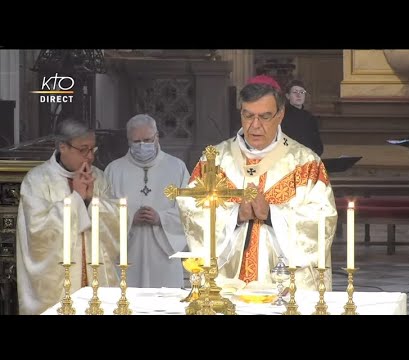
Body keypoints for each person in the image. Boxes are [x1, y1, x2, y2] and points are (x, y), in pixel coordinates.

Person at [177, 75, 337, 290]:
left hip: (286, 286)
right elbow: (192, 212)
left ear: (280, 115)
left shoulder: (305, 163)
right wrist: (235, 215)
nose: (255, 125)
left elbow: (322, 220)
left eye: (264, 116)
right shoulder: (215, 160)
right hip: (225, 283)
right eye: (248, 115)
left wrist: (271, 214)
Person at [16, 119, 120, 315]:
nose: (90, 157)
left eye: (93, 150)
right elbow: (37, 231)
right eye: (83, 150)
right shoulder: (37, 180)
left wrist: (90, 200)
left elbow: (117, 224)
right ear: (63, 147)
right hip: (56, 285)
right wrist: (76, 199)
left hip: (94, 276)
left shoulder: (99, 177)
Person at [104, 114, 190, 288]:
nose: (142, 145)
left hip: (165, 255)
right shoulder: (114, 170)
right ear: (128, 141)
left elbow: (190, 209)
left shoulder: (176, 167)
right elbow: (103, 213)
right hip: (127, 255)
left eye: (147, 139)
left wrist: (162, 218)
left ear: (157, 137)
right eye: (136, 141)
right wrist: (128, 218)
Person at [281, 79, 324, 157]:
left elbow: (317, 144)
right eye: (295, 92)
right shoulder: (281, 116)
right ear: (288, 96)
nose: (299, 95)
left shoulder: (310, 117)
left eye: (302, 92)